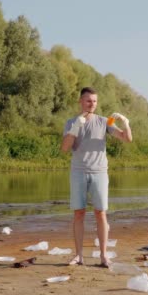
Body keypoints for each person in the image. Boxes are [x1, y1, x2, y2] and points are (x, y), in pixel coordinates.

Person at [60, 87, 132, 267]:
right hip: (78, 172)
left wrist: (126, 123)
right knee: (79, 213)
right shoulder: (71, 122)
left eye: (94, 101)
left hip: (100, 172)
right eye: (88, 101)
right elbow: (65, 148)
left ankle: (103, 256)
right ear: (81, 102)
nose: (92, 104)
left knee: (101, 213)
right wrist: (76, 127)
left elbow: (126, 138)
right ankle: (79, 256)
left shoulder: (104, 121)